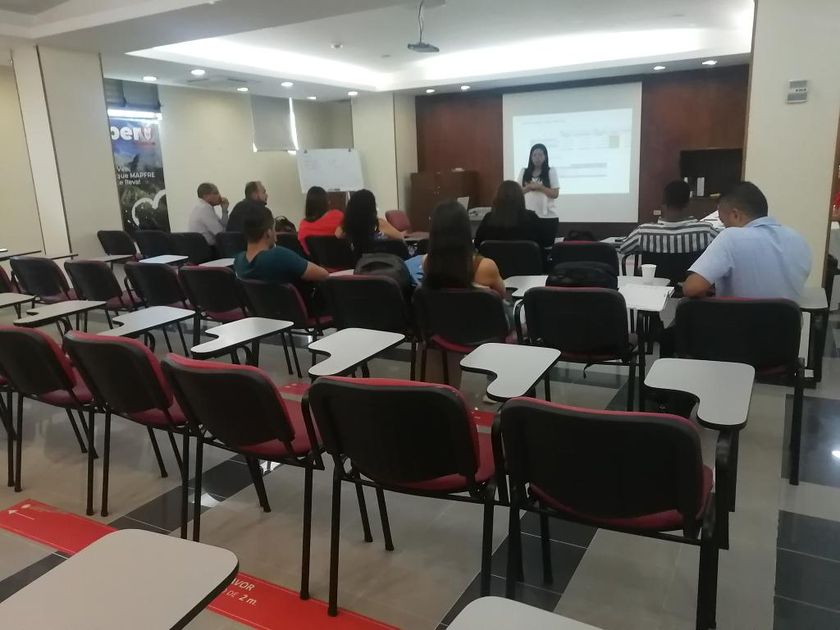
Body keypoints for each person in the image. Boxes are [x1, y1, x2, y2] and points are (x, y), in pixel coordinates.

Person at [683, 181, 811, 300]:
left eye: (724, 222)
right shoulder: (798, 239)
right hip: (786, 317)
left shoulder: (730, 237)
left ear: (735, 215)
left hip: (737, 317)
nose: (724, 227)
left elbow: (692, 288)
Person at [619, 180, 719, 255]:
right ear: (688, 203)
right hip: (691, 278)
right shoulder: (706, 231)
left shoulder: (643, 232)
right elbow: (725, 247)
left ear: (663, 203)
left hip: (655, 277)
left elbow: (623, 249)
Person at [233, 204, 328, 284]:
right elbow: (323, 275)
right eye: (274, 228)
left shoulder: (238, 261)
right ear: (268, 233)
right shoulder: (278, 256)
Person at [474, 180, 553, 249]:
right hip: (525, 261)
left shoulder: (489, 218)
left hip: (493, 262)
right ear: (520, 197)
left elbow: (477, 244)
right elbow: (545, 243)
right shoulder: (531, 218)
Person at [336, 189, 403, 252]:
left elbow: (337, 237)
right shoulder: (378, 223)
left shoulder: (345, 226)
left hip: (353, 259)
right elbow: (400, 238)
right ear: (372, 207)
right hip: (375, 259)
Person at [297, 186, 344, 254]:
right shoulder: (338, 215)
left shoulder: (303, 225)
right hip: (342, 258)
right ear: (326, 202)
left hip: (316, 260)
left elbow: (307, 251)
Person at [518, 143, 559, 218]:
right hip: (527, 214)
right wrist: (529, 187)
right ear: (531, 157)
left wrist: (540, 188)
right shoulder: (524, 171)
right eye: (534, 155)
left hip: (548, 216)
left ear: (545, 157)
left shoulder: (551, 171)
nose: (537, 157)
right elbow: (517, 193)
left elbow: (555, 194)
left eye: (540, 155)